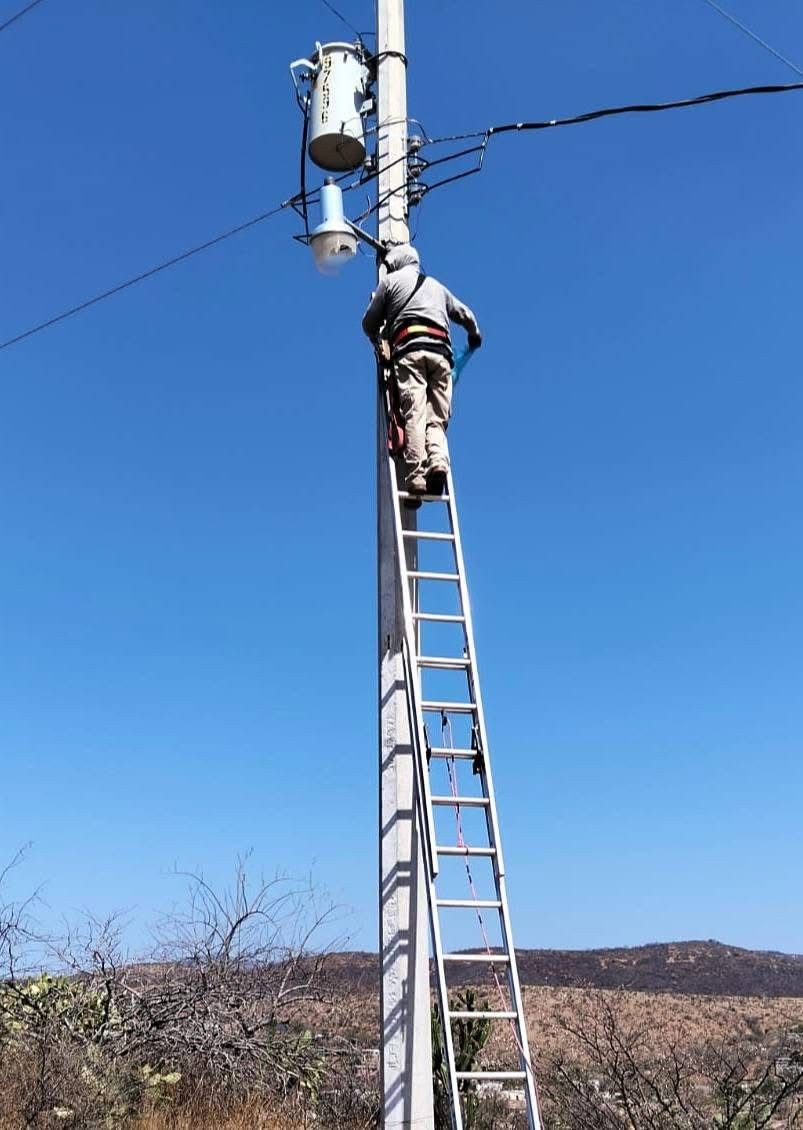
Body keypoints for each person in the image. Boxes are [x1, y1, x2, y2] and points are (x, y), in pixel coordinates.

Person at [362, 244, 481, 496]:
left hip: (410, 352)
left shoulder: (391, 282)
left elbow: (368, 323)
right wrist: (473, 335)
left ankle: (416, 475)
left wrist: (378, 335)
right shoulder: (437, 286)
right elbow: (465, 314)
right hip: (441, 357)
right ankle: (437, 461)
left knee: (413, 412)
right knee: (436, 418)